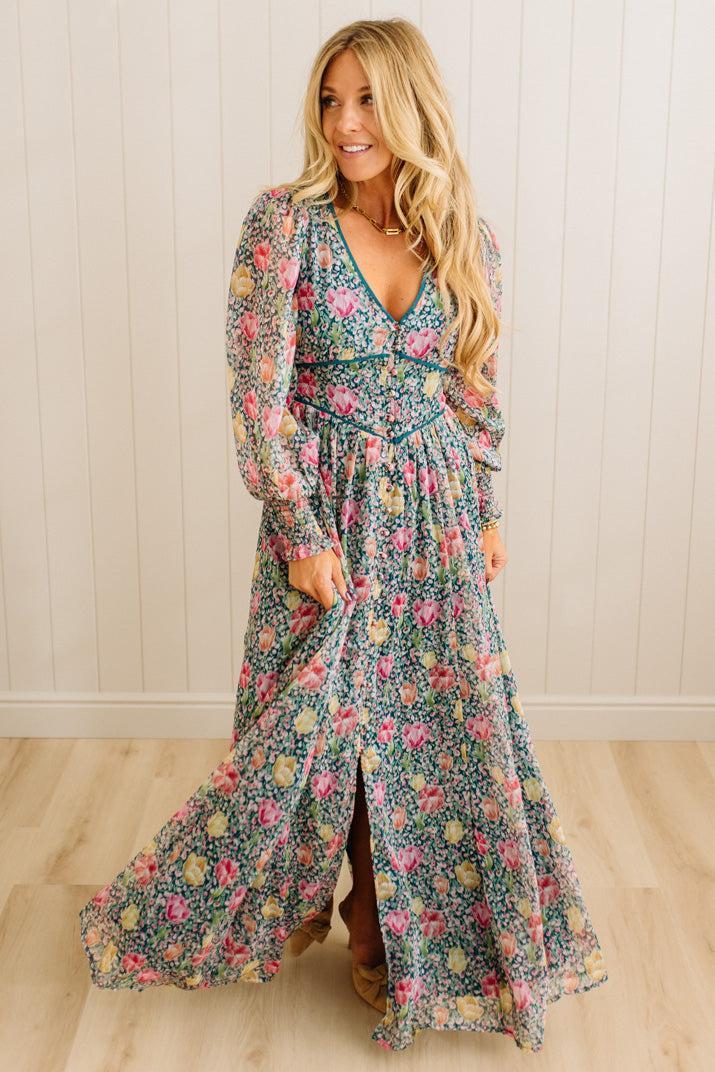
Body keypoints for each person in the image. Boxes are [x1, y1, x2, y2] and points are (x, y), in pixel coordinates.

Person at [78, 17, 608, 1054]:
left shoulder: (463, 234)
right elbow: (257, 395)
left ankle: (398, 929)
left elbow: (475, 390)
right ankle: (336, 914)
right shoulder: (284, 223)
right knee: (324, 728)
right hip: (329, 506)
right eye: (330, 99)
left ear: (410, 105)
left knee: (439, 725)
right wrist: (299, 526)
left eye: (365, 99)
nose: (345, 121)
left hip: (437, 512)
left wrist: (487, 512)